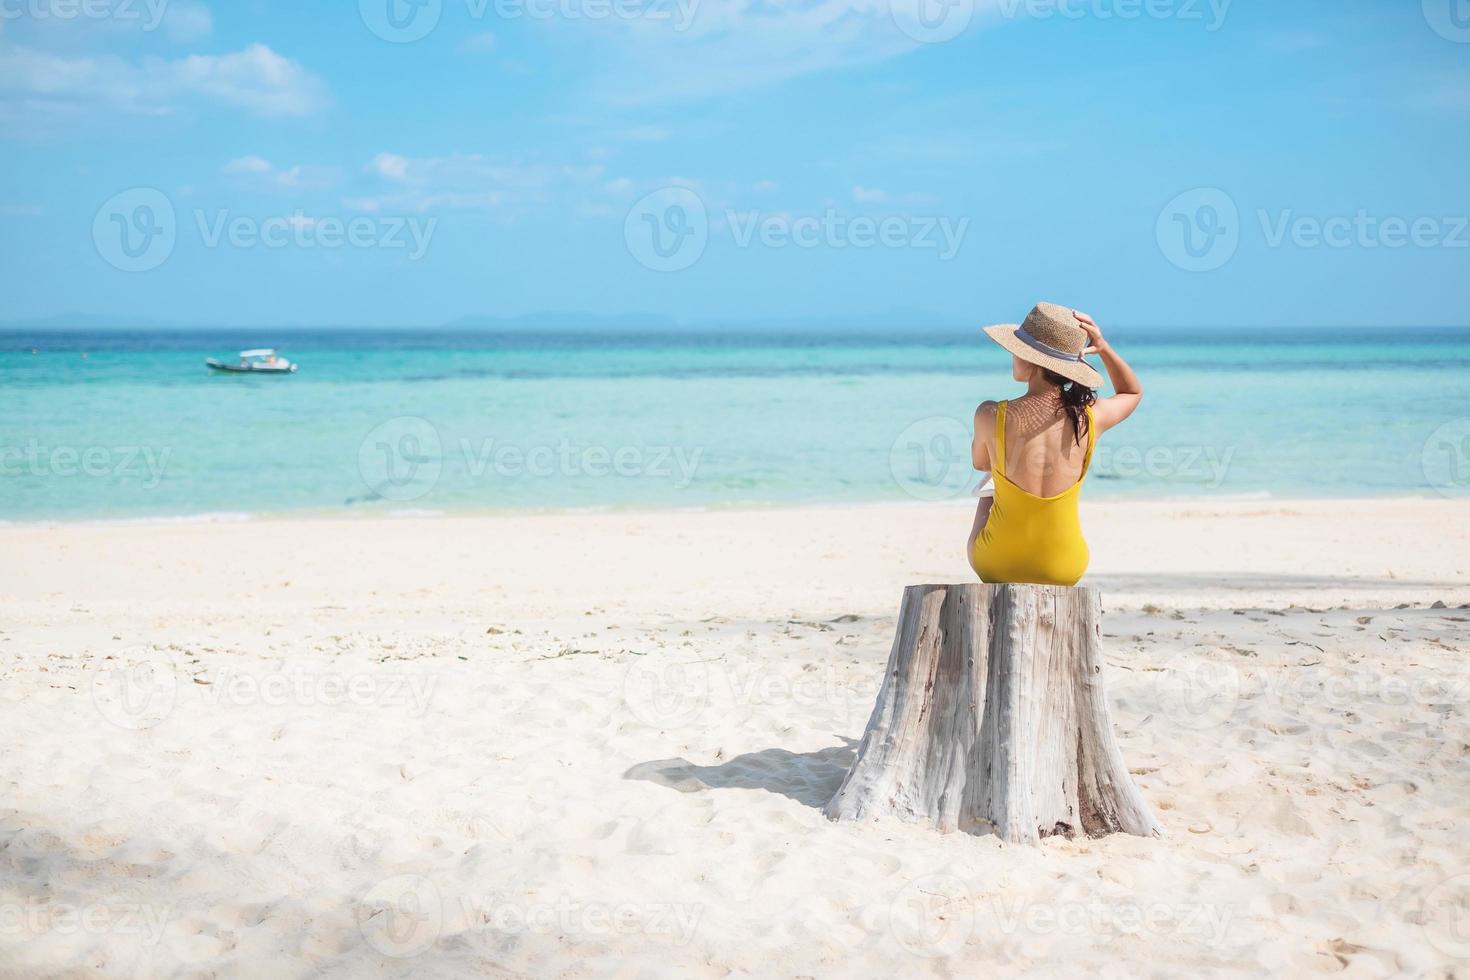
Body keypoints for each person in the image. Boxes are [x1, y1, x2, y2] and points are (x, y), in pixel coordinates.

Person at [967, 302, 1143, 587]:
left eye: (1016, 349)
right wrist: (1104, 348)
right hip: (1065, 565)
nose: (1012, 355)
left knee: (991, 484)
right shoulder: (1090, 417)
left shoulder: (989, 414)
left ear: (1032, 360)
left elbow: (980, 463)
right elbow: (1131, 392)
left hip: (997, 563)